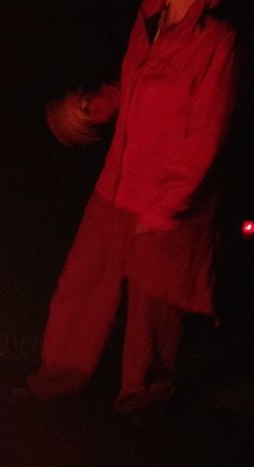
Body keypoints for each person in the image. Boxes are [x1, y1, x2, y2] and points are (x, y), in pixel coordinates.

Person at [28, 0, 236, 413]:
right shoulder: (148, 22)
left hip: (165, 200)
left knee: (152, 318)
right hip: (116, 187)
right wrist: (96, 105)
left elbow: (206, 135)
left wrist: (165, 209)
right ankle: (55, 384)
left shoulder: (215, 41)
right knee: (81, 290)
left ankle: (143, 405)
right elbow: (137, 86)